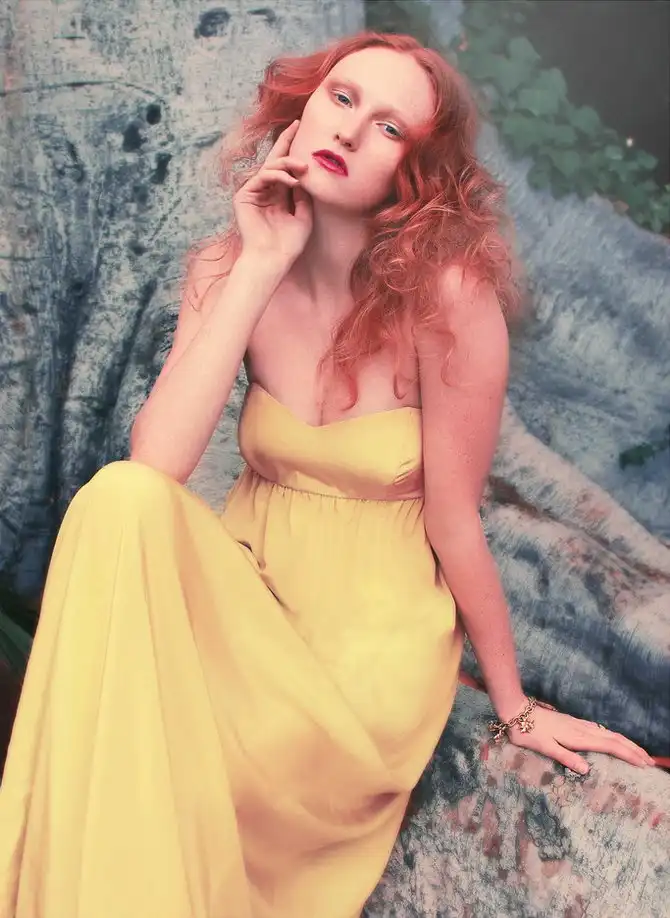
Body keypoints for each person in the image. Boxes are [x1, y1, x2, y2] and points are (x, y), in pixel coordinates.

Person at [0, 29, 655, 918]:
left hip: (362, 661)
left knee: (146, 732)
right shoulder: (227, 268)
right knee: (117, 500)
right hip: (248, 611)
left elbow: (455, 518)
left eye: (389, 128)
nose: (349, 130)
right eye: (342, 98)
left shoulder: (448, 300)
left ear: (413, 174)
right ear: (303, 108)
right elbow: (155, 466)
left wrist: (515, 705)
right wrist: (260, 264)